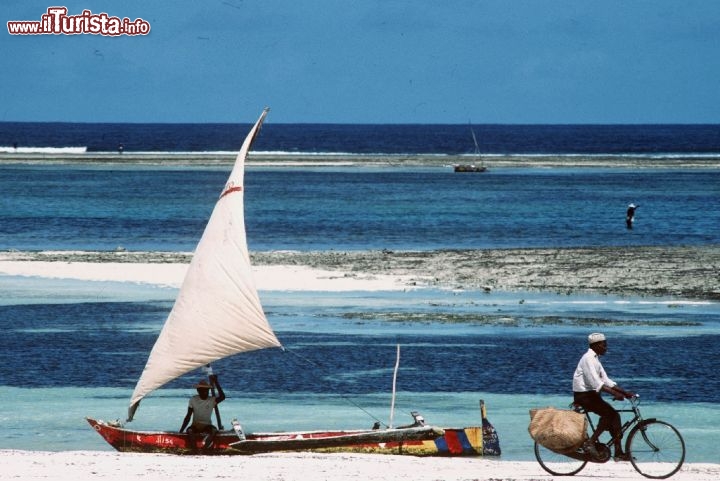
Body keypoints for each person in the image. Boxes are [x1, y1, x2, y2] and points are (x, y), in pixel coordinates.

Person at [572, 333, 635, 461]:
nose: (606, 347)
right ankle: (591, 442)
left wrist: (625, 392)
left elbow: (606, 380)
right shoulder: (588, 358)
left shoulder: (595, 359)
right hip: (583, 396)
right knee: (608, 414)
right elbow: (597, 383)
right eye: (604, 345)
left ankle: (618, 452)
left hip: (592, 395)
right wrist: (614, 394)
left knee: (615, 416)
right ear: (595, 345)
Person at [179, 374, 225, 449]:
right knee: (190, 431)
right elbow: (188, 416)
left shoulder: (212, 400)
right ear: (198, 391)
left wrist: (216, 382)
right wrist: (181, 431)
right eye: (202, 391)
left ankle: (205, 448)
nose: (204, 392)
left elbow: (222, 396)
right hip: (195, 426)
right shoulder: (193, 400)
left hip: (207, 426)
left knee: (214, 430)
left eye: (206, 391)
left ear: (208, 391)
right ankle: (194, 449)